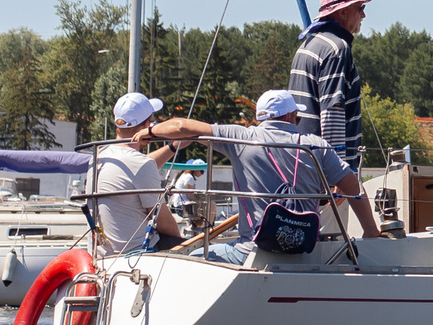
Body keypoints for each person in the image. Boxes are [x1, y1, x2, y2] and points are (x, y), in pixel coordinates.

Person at [138, 89, 379, 249]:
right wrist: (370, 230)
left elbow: (182, 126)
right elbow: (352, 188)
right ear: (291, 116)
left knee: (195, 258)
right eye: (297, 118)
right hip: (306, 249)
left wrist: (148, 132)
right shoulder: (317, 145)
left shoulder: (241, 138)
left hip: (253, 249)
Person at [290, 0, 372, 170]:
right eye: (360, 8)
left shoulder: (308, 45)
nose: (363, 15)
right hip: (323, 168)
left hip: (302, 160)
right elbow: (332, 111)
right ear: (342, 12)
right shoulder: (337, 49)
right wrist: (336, 169)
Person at [90, 91, 184, 251]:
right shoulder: (140, 164)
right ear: (147, 127)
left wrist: (172, 147)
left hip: (102, 254)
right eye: (153, 122)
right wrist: (184, 243)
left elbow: (138, 169)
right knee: (194, 247)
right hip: (137, 253)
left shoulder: (99, 156)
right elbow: (166, 225)